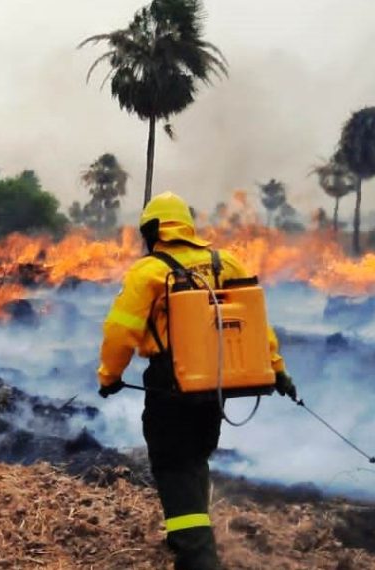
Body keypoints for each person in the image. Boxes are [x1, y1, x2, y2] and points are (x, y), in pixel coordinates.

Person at [97, 192, 296, 570]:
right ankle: (186, 540)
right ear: (188, 227)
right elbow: (256, 327)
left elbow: (120, 332)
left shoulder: (150, 271)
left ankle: (197, 556)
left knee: (173, 466)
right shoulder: (226, 262)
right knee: (194, 460)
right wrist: (278, 369)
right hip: (213, 385)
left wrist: (109, 377)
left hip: (170, 383)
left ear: (152, 231)